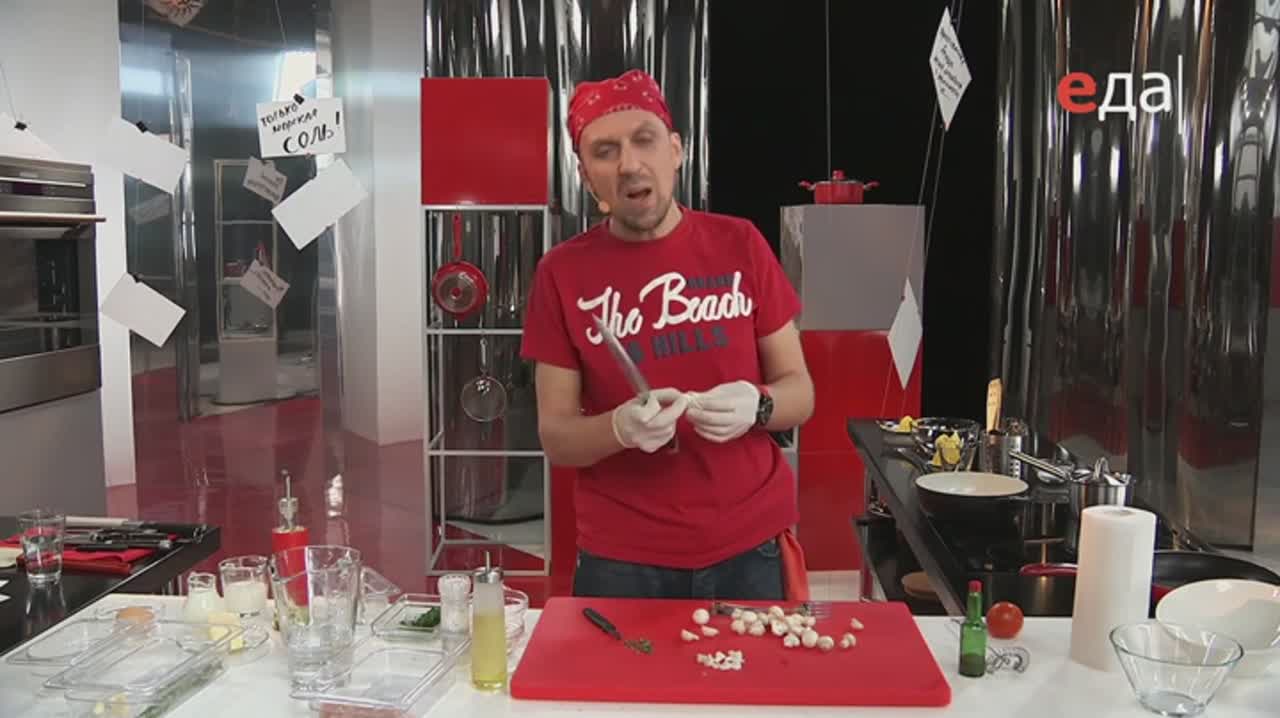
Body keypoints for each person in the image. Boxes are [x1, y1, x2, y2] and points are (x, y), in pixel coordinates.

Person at [520, 68, 814, 600]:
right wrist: (619, 428)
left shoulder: (741, 244)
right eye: (605, 151)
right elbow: (557, 436)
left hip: (749, 545)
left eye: (645, 140)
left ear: (676, 151)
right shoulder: (561, 274)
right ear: (586, 176)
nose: (629, 164)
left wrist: (759, 405)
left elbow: (801, 392)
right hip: (621, 557)